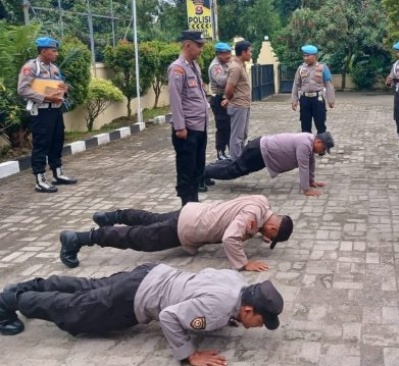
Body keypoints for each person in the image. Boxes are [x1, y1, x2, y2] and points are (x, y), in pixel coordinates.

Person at [0, 263, 283, 366]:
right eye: (260, 320)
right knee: (74, 313)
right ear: (248, 309)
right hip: (133, 299)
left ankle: (27, 286)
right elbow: (170, 317)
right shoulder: (220, 310)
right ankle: (11, 300)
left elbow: (206, 277)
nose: (258, 326)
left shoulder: (237, 282)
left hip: (150, 273)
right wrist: (189, 354)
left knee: (87, 288)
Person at [58, 195, 294, 272]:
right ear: (272, 228)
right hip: (187, 228)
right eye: (270, 237)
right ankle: (78, 239)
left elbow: (259, 221)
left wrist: (261, 232)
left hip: (192, 212)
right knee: (136, 237)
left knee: (150, 219)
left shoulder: (262, 204)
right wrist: (243, 264)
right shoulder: (253, 216)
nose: (267, 238)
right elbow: (230, 237)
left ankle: (112, 216)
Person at [18, 36, 77, 193]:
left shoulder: (54, 69)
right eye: (53, 51)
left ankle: (58, 173)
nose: (56, 53)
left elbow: (58, 87)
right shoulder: (31, 67)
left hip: (56, 110)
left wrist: (65, 90)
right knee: (41, 144)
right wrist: (45, 97)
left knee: (57, 141)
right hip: (41, 111)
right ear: (43, 51)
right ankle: (40, 179)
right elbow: (22, 89)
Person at [204, 132, 334, 197]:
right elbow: (304, 166)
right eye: (323, 149)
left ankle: (205, 170)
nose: (322, 152)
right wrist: (306, 189)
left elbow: (311, 162)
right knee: (233, 170)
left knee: (234, 165)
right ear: (319, 142)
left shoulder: (309, 141)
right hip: (258, 151)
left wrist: (311, 182)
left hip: (260, 150)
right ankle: (203, 172)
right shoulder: (305, 144)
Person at [168, 30, 210, 207]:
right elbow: (175, 99)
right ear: (187, 45)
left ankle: (194, 204)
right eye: (198, 45)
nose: (201, 49)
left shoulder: (194, 67)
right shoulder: (177, 68)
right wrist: (180, 127)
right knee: (186, 170)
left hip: (200, 127)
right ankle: (187, 207)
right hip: (187, 130)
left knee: (197, 169)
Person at [291, 44, 336, 134]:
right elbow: (296, 85)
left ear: (315, 56)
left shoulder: (323, 68)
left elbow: (329, 84)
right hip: (304, 100)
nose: (305, 58)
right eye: (304, 56)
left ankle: (321, 146)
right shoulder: (301, 68)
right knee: (305, 126)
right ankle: (306, 146)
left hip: (318, 100)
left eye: (308, 56)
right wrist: (294, 100)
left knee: (320, 126)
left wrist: (331, 100)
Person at [222, 40, 253, 159]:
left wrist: (228, 99)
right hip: (238, 105)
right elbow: (229, 88)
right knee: (237, 136)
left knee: (243, 134)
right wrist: (229, 99)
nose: (251, 54)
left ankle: (240, 158)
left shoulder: (241, 65)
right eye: (250, 51)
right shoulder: (235, 67)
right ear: (244, 52)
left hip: (244, 105)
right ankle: (235, 161)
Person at [208, 42, 233, 161]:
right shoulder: (215, 66)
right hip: (218, 99)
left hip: (226, 98)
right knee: (222, 126)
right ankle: (220, 151)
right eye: (226, 53)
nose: (228, 56)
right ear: (219, 54)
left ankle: (227, 150)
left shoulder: (226, 64)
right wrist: (232, 74)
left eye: (229, 53)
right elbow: (221, 81)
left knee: (229, 126)